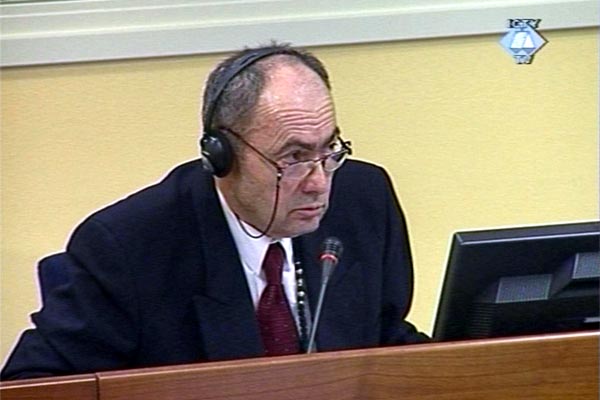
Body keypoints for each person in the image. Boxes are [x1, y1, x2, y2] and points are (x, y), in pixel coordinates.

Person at [1, 43, 428, 380]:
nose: (318, 182)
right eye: (293, 157)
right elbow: (34, 384)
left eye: (328, 150)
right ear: (220, 156)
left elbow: (386, 340)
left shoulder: (364, 199)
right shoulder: (129, 246)